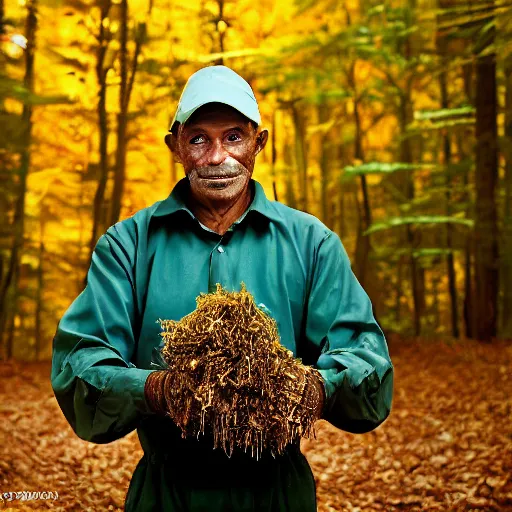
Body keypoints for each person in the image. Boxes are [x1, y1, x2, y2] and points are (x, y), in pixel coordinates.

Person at [51, 65, 394, 512]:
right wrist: (160, 389)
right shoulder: (128, 246)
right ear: (175, 146)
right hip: (167, 495)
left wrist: (310, 388)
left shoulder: (312, 243)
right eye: (198, 139)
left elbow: (368, 362)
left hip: (276, 495)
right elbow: (79, 364)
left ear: (259, 143)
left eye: (233, 137)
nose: (217, 158)